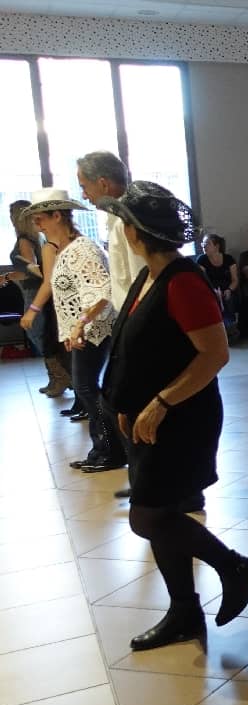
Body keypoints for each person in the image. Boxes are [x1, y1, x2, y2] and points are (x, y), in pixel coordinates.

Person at [96, 181, 248, 652]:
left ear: (136, 232)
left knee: (146, 517)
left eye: (124, 222)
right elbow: (139, 350)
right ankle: (185, 612)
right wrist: (129, 405)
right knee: (161, 512)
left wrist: (161, 402)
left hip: (181, 418)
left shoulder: (183, 280)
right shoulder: (151, 275)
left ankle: (234, 567)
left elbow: (214, 354)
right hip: (151, 417)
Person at [22, 189, 126, 471]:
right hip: (83, 331)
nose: (38, 225)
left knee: (87, 388)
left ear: (58, 215)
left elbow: (101, 292)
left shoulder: (82, 250)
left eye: (41, 218)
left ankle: (111, 451)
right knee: (86, 388)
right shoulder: (66, 250)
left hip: (94, 331)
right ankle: (103, 449)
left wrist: (80, 325)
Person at [9, 200, 72, 396]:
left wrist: (9, 276)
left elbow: (34, 271)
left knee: (39, 334)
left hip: (34, 291)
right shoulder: (39, 239)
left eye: (12, 214)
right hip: (40, 290)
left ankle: (60, 377)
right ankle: (59, 377)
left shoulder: (25, 241)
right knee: (44, 334)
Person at [76, 151, 142, 312]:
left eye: (84, 187)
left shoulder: (125, 221)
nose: (84, 196)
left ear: (103, 184)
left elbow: (140, 282)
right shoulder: (116, 219)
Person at [195, 233, 239, 337]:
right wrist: (213, 291)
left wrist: (229, 290)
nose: (204, 246)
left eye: (207, 244)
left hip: (227, 289)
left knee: (229, 299)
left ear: (217, 246)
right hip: (210, 290)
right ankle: (218, 329)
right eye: (203, 244)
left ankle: (230, 326)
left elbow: (235, 280)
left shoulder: (229, 259)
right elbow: (201, 280)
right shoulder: (202, 259)